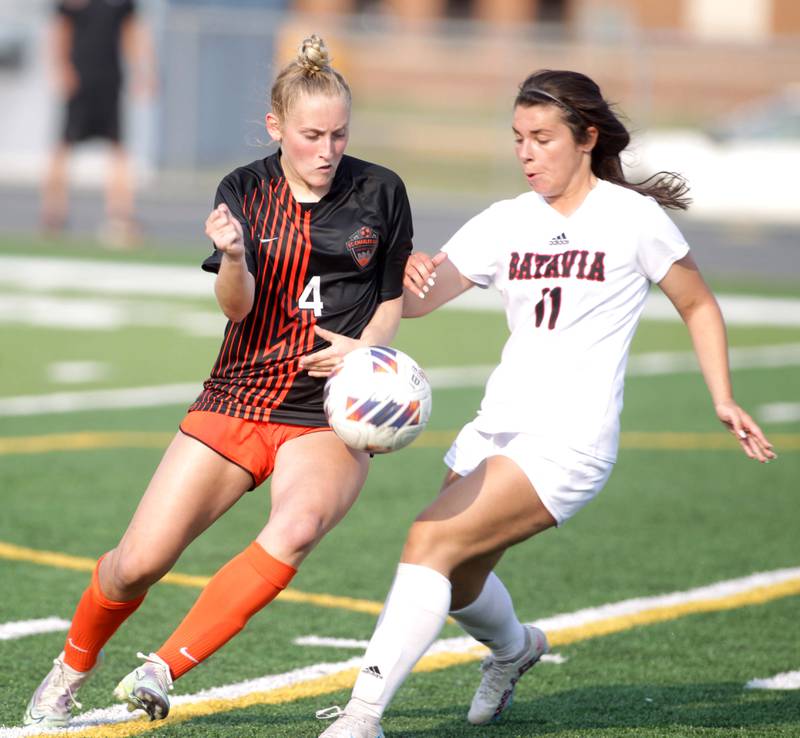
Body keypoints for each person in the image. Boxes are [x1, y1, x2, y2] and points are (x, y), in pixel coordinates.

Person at [317, 69, 776, 738]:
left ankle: (362, 716)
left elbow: (698, 303)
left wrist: (724, 396)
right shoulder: (506, 221)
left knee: (428, 539)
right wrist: (405, 267)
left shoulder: (631, 218)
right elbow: (417, 300)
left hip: (570, 440)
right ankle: (515, 649)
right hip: (496, 425)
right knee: (462, 578)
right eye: (517, 139)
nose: (526, 152)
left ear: (586, 138)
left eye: (542, 137)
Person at [23, 34, 413, 728]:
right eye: (311, 134)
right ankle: (71, 667)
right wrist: (233, 256)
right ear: (276, 128)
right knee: (135, 565)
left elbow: (390, 297)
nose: (327, 150)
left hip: (326, 417)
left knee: (295, 529)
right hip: (238, 396)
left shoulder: (381, 191)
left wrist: (367, 351)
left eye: (339, 134)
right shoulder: (245, 191)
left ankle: (161, 668)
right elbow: (234, 307)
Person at [41, 0, 156, 246]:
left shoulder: (122, 4)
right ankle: (53, 215)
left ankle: (120, 216)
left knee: (118, 151)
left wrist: (142, 71)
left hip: (110, 83)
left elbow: (132, 33)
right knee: (63, 147)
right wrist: (61, 67)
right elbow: (60, 29)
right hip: (80, 84)